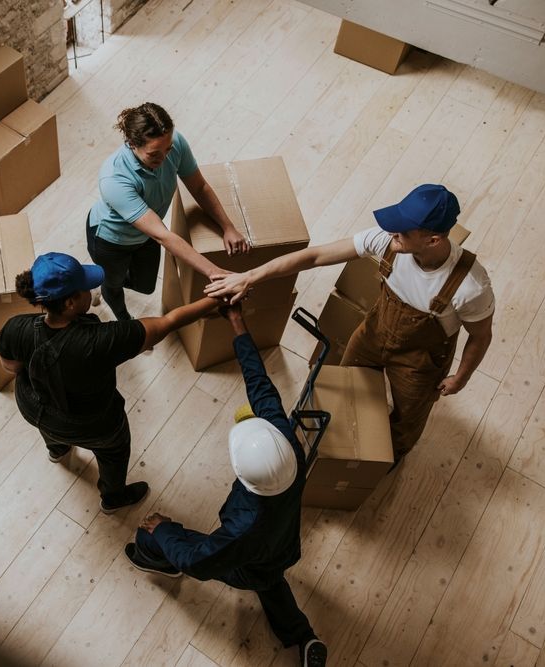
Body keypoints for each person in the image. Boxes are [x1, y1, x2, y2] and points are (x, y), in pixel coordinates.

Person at [206, 184, 494, 464]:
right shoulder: (389, 241)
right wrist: (249, 277)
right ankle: (342, 443)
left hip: (420, 361)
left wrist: (461, 377)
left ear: (433, 240)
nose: (393, 232)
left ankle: (386, 459)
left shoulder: (470, 286)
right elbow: (314, 256)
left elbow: (480, 336)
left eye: (404, 230)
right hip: (375, 333)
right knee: (347, 386)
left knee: (408, 417)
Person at [124, 306, 327, 667]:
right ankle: (303, 637)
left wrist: (165, 528)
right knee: (270, 581)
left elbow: (198, 562)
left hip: (249, 560)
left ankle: (152, 555)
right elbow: (259, 382)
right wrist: (237, 323)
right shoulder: (287, 445)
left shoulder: (243, 526)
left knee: (154, 537)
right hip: (283, 548)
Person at [0, 252, 221, 513]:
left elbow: (10, 366)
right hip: (93, 425)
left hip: (34, 408)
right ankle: (113, 498)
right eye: (86, 288)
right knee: (114, 451)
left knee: (52, 423)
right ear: (70, 302)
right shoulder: (101, 341)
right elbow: (166, 323)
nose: (92, 289)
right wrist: (215, 299)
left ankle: (57, 450)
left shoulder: (15, 326)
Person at [87, 102, 249, 321]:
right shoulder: (114, 178)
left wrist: (228, 227)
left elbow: (199, 187)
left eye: (168, 150)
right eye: (154, 154)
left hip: (145, 235)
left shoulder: (174, 143)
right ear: (132, 144)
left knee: (145, 286)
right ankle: (125, 320)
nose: (164, 159)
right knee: (113, 288)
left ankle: (102, 277)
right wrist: (216, 274)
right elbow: (161, 234)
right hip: (111, 241)